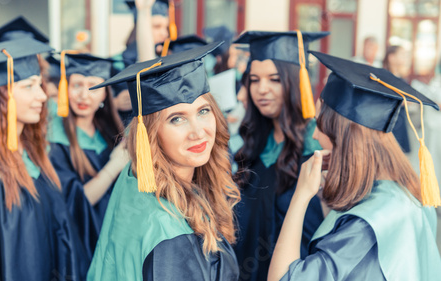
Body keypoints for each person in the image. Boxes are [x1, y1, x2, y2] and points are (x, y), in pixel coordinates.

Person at [269, 51, 441, 281]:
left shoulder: (367, 224)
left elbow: (283, 278)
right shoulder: (409, 195)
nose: (316, 134)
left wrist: (300, 196)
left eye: (321, 125)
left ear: (346, 138)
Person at [87, 43, 240, 281]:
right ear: (150, 134)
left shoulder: (133, 178)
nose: (198, 132)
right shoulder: (169, 233)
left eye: (203, 111)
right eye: (177, 119)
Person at [0, 38, 89, 280]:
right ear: (0, 96)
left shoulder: (32, 156)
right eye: (29, 86)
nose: (42, 96)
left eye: (40, 85)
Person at [231, 30, 328, 281]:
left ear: (296, 81)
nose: (262, 89)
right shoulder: (252, 144)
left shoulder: (316, 147)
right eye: (254, 80)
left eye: (274, 79)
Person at [47, 52, 128, 259]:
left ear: (104, 94)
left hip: (115, 239)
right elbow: (75, 203)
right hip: (78, 244)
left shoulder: (111, 132)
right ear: (65, 89)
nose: (84, 95)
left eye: (93, 86)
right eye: (77, 85)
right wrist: (114, 165)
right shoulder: (55, 141)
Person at [111, 0, 171, 126]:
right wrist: (114, 102)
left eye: (166, 27)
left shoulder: (169, 56)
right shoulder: (118, 62)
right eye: (156, 26)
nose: (164, 33)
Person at [382, 45, 411, 153]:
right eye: (402, 54)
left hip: (400, 121)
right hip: (387, 123)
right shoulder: (383, 78)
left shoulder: (402, 78)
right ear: (391, 57)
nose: (405, 57)